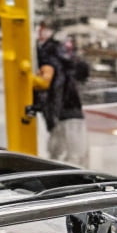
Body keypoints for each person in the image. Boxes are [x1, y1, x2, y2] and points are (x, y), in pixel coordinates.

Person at [33, 22, 88, 167]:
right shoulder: (58, 59)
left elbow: (55, 89)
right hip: (68, 112)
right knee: (72, 154)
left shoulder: (49, 59)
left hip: (63, 113)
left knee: (60, 153)